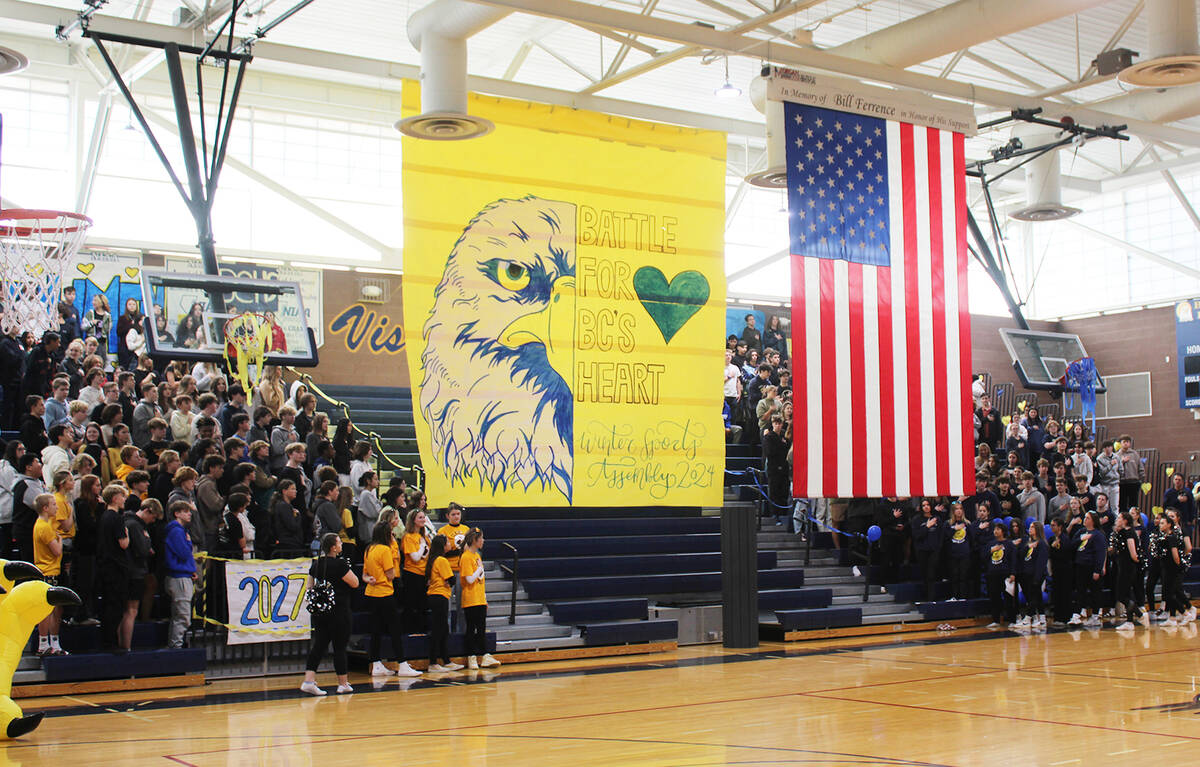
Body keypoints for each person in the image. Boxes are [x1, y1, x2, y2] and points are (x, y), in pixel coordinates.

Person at [362, 522, 422, 678]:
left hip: (371, 593)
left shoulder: (369, 549)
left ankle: (376, 664)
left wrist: (371, 578)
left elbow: (364, 575)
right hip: (385, 593)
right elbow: (391, 574)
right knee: (395, 629)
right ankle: (402, 664)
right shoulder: (385, 550)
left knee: (376, 630)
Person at [301, 533, 358, 696]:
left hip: (321, 612)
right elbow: (355, 583)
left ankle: (309, 680)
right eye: (339, 542)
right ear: (333, 547)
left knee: (319, 645)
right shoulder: (340, 565)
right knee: (340, 647)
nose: (341, 545)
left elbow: (309, 587)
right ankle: (342, 683)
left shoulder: (316, 564)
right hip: (339, 610)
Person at [97, 483, 131, 653]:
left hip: (106, 565)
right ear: (115, 498)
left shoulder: (104, 516)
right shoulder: (117, 518)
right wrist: (127, 532)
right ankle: (110, 643)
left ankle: (109, 641)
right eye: (122, 496)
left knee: (110, 605)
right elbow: (123, 544)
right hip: (116, 567)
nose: (124, 499)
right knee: (116, 607)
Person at [460, 527, 499, 669]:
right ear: (475, 540)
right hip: (470, 599)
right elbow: (469, 579)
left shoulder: (477, 556)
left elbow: (480, 579)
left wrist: (485, 598)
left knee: (481, 628)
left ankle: (484, 656)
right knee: (471, 628)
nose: (483, 541)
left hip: (479, 598)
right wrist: (479, 569)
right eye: (481, 538)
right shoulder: (466, 557)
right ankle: (471, 657)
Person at [32, 492, 67, 655]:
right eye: (53, 504)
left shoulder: (44, 524)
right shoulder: (44, 527)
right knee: (47, 611)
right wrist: (59, 539)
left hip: (50, 571)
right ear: (45, 508)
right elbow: (57, 550)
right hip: (47, 572)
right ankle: (44, 644)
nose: (57, 506)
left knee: (55, 610)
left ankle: (53, 643)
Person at [425, 534, 462, 672]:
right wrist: (448, 580)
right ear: (442, 545)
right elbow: (451, 580)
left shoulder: (434, 559)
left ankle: (446, 660)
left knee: (443, 629)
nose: (450, 544)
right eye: (447, 542)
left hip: (437, 596)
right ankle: (433, 662)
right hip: (439, 596)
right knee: (438, 629)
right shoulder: (441, 560)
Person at [72, 474, 102, 626]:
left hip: (93, 550)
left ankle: (87, 613)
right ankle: (80, 615)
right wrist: (102, 508)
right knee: (84, 584)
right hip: (84, 550)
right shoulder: (81, 504)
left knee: (91, 584)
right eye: (97, 485)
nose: (100, 488)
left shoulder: (94, 504)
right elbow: (90, 526)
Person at [1069, 511, 1106, 628]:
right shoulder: (1081, 532)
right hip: (1080, 566)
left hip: (1091, 566)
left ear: (1093, 521)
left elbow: (1100, 553)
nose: (1084, 519)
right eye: (1085, 517)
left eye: (1087, 518)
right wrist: (1081, 539)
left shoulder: (1098, 534)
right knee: (1080, 591)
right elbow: (1072, 545)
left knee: (1095, 592)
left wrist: (1097, 570)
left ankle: (1095, 616)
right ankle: (1076, 615)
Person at [401, 508, 431, 633]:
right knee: (412, 605)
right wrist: (422, 547)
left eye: (423, 517)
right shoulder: (408, 537)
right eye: (420, 517)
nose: (423, 520)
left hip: (423, 574)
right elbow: (415, 557)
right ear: (413, 520)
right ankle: (411, 631)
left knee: (423, 606)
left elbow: (428, 554)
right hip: (412, 575)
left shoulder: (423, 536)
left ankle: (422, 631)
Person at [1014, 520, 1048, 629]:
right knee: (1037, 596)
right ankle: (1042, 619)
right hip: (1027, 573)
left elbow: (1041, 562)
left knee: (1033, 596)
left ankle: (1027, 618)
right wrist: (1028, 547)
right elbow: (1022, 555)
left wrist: (1037, 577)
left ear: (1037, 529)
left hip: (1037, 574)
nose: (1030, 529)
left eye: (1032, 527)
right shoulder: (1029, 543)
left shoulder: (1042, 543)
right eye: (1030, 527)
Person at [985, 522, 1015, 628]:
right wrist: (991, 551)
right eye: (994, 529)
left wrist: (1012, 573)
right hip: (993, 573)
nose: (995, 531)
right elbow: (983, 557)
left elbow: (1013, 560)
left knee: (1008, 598)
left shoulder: (1009, 544)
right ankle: (996, 620)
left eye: (998, 529)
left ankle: (1012, 619)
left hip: (1005, 574)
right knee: (994, 597)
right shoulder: (990, 544)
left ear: (1003, 531)